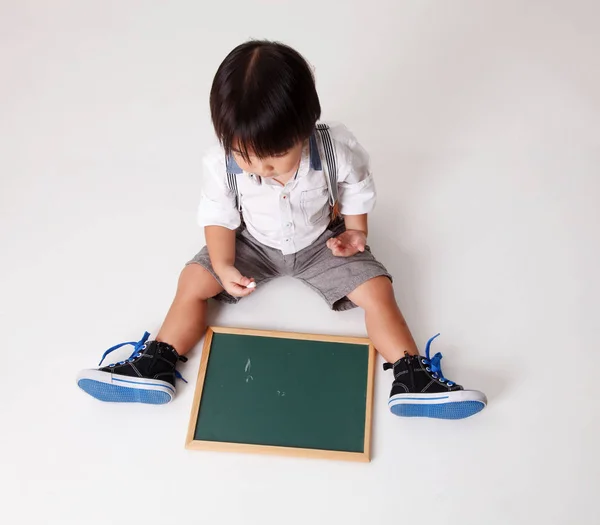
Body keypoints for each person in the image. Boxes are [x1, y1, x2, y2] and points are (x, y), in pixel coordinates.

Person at [76, 40, 487, 419]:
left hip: (323, 242)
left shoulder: (335, 148)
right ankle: (157, 362)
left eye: (274, 157)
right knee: (191, 280)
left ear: (305, 128)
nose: (261, 168)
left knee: (378, 289)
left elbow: (357, 189)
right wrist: (222, 265)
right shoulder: (218, 162)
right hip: (252, 244)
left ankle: (410, 375)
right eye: (247, 156)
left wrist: (357, 233)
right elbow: (218, 215)